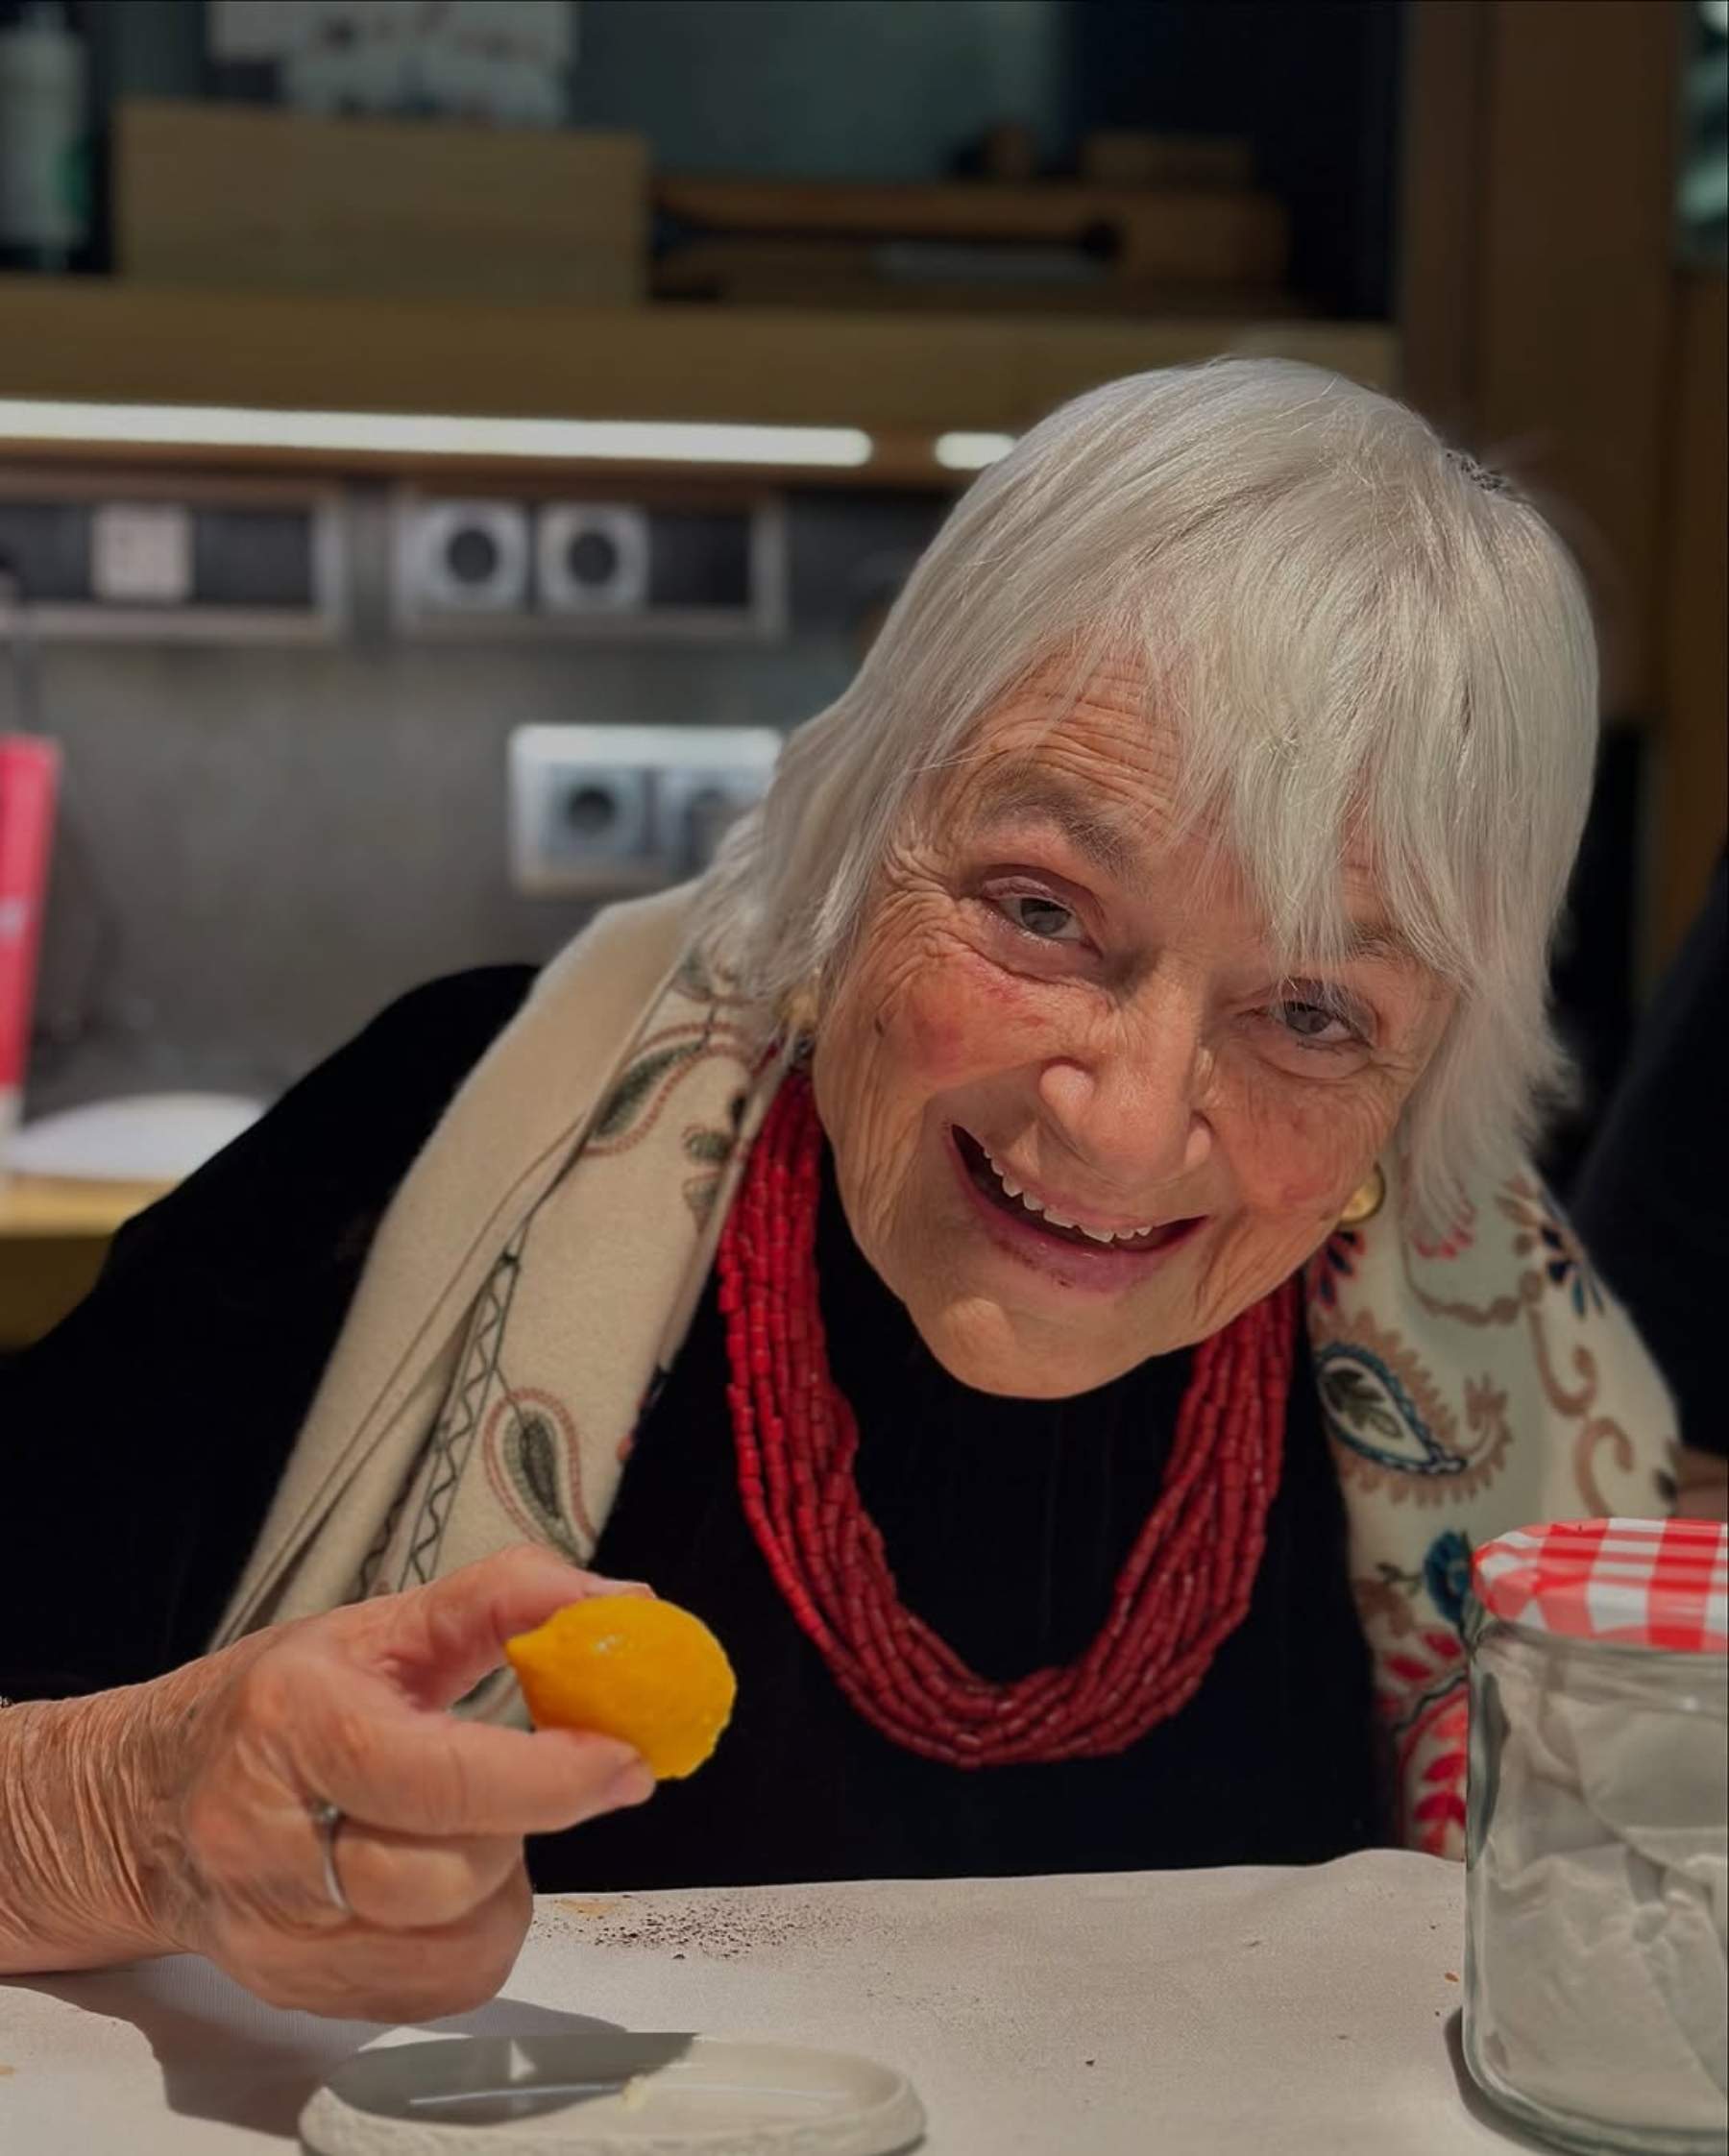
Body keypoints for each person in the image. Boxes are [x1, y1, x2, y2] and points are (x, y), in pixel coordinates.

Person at [0, 360, 1679, 2023]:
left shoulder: (1505, 1383)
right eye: (1042, 909)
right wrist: (140, 1810)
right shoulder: (437, 1143)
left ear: (1435, 1064)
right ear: (865, 822)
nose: (1124, 1124)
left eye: (1314, 1012)